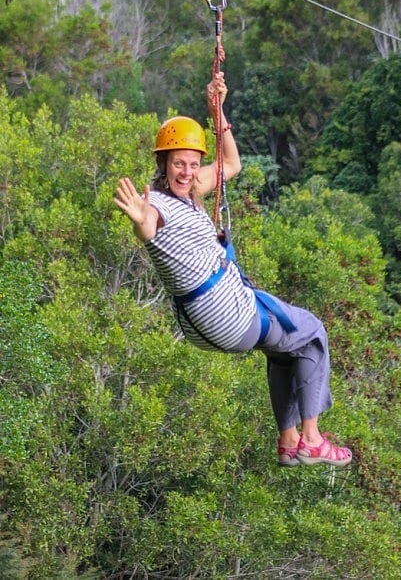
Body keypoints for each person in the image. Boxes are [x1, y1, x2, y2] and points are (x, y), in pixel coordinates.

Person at [114, 71, 352, 468]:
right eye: (178, 164)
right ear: (163, 163)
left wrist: (217, 110)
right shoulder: (157, 204)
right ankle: (311, 439)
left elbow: (231, 162)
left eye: (192, 163)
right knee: (310, 333)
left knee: (282, 353)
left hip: (203, 323)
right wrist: (141, 219)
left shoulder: (192, 194)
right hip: (225, 313)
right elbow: (149, 227)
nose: (187, 172)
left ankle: (288, 440)